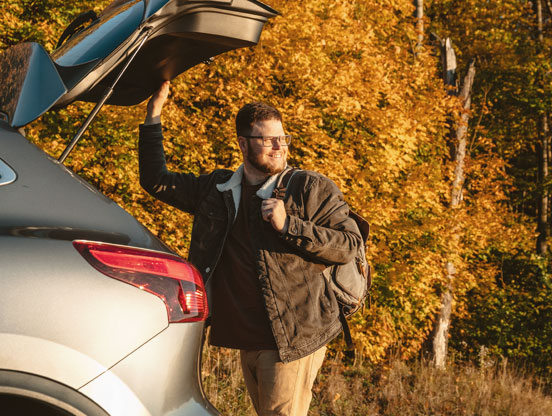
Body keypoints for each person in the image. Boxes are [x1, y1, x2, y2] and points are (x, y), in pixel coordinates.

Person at [138, 81, 362, 416]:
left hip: (294, 337)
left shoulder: (309, 188)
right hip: (248, 340)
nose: (278, 145)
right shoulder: (217, 190)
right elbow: (156, 179)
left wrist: (290, 226)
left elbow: (348, 246)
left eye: (282, 138)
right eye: (268, 139)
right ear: (243, 144)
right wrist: (153, 112)